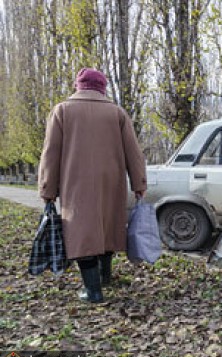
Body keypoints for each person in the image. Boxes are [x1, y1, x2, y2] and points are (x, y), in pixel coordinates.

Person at [38, 68, 147, 303]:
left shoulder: (62, 111)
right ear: (102, 87)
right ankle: (105, 277)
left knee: (82, 234)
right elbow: (133, 152)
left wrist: (47, 189)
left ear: (79, 85)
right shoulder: (117, 113)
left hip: (75, 185)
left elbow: (51, 154)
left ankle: (93, 290)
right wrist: (139, 182)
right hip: (112, 182)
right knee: (108, 227)